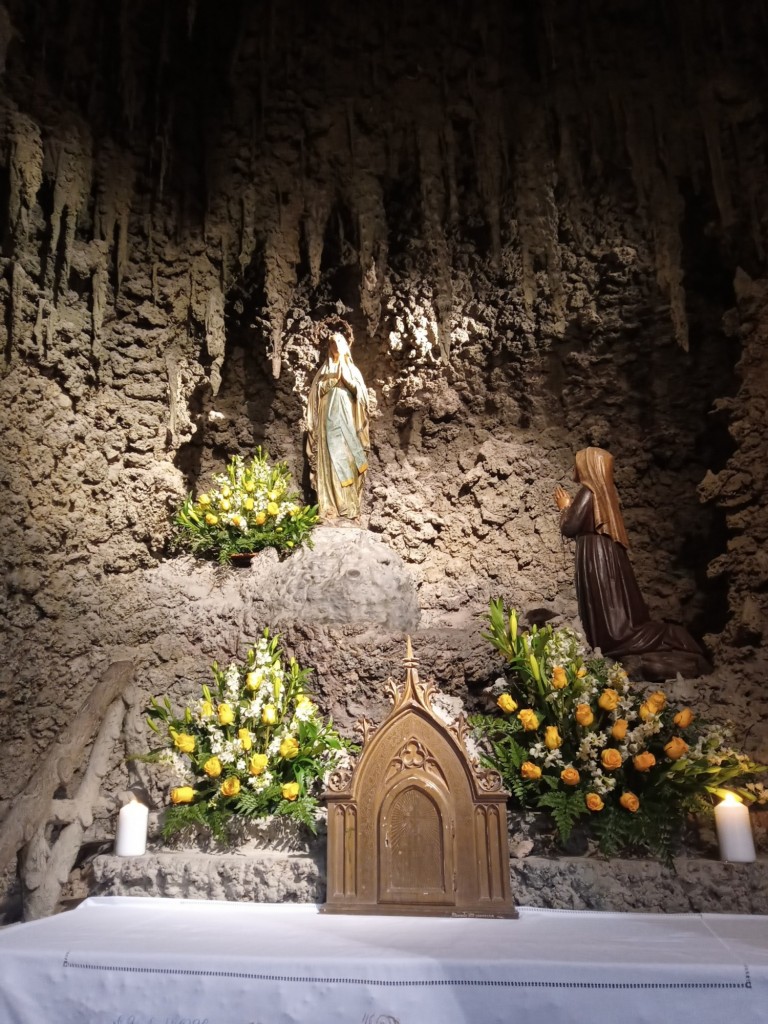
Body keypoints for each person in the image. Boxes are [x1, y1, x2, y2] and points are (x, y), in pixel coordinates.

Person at [555, 446, 711, 679]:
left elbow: (570, 527)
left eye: (578, 462)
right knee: (610, 605)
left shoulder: (588, 492)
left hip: (595, 557)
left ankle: (620, 642)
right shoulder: (605, 493)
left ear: (588, 466)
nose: (575, 466)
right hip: (603, 554)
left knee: (606, 611)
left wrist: (565, 507)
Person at [306, 318, 370, 523]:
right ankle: (329, 508)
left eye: (339, 342)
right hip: (327, 422)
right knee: (329, 461)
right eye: (332, 343)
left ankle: (349, 508)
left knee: (348, 459)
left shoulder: (353, 370)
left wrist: (347, 381)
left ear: (345, 346)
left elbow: (361, 399)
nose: (336, 346)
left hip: (347, 422)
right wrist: (332, 381)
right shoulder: (323, 371)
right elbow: (315, 397)